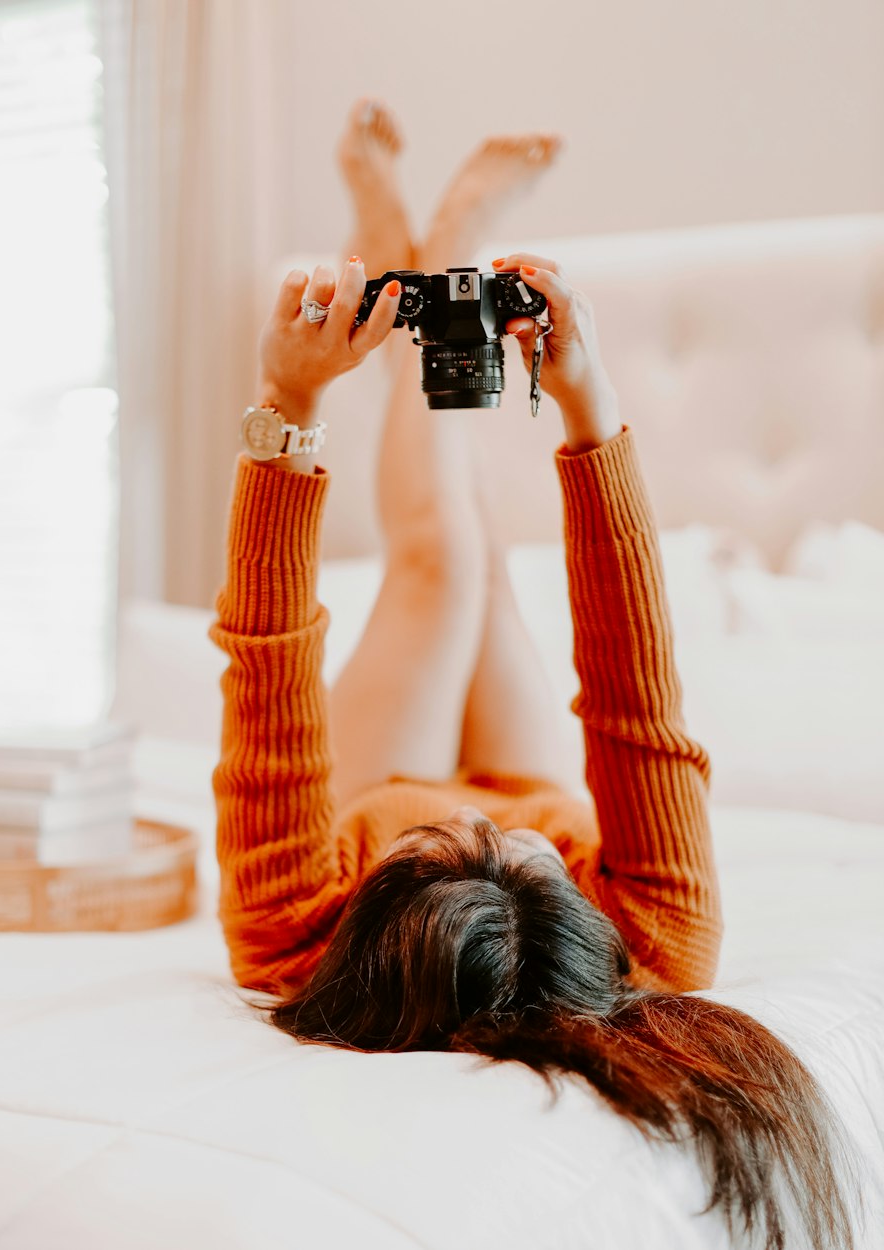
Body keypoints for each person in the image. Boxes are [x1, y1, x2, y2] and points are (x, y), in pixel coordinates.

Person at [210, 100, 854, 1250]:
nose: (471, 810)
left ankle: (426, 246)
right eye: (523, 848)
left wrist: (289, 402)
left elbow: (270, 670)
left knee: (440, 561)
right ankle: (427, 253)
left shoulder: (290, 922)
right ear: (573, 905)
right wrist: (591, 409)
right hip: (526, 759)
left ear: (367, 911)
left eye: (437, 836)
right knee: (493, 575)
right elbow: (631, 697)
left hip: (375, 761)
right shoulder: (654, 937)